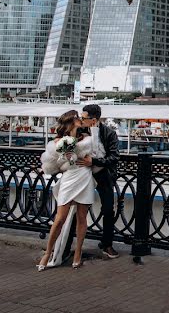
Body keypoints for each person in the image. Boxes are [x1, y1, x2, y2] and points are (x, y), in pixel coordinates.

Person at [37, 110, 95, 270]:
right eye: (76, 118)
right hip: (70, 178)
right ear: (70, 122)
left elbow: (96, 155)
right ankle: (48, 253)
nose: (79, 119)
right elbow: (52, 165)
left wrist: (92, 161)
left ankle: (78, 253)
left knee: (83, 217)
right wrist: (65, 158)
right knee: (60, 218)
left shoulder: (87, 139)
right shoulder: (58, 141)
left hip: (85, 176)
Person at [76, 103, 120, 259]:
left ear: (93, 120)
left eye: (84, 118)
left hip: (103, 175)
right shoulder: (79, 130)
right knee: (76, 209)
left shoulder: (109, 133)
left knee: (108, 209)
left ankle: (107, 244)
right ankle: (71, 244)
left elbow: (114, 157)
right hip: (82, 173)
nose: (81, 120)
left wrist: (94, 162)